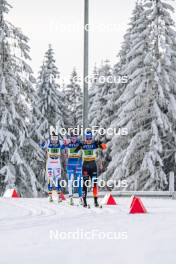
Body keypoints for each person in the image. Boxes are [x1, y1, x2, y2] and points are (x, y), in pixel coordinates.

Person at [75, 130, 107, 207]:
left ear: (91, 138)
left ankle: (95, 201)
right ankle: (84, 201)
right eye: (87, 138)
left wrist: (100, 142)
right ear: (85, 138)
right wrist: (79, 145)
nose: (88, 140)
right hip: (85, 166)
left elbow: (104, 147)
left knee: (94, 184)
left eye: (90, 138)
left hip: (93, 165)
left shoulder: (94, 144)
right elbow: (75, 151)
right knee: (85, 184)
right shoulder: (83, 144)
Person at [41, 131, 65, 203]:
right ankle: (50, 196)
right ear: (50, 138)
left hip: (57, 163)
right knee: (50, 179)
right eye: (53, 138)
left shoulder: (59, 142)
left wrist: (66, 142)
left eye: (55, 138)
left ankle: (59, 196)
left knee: (57, 179)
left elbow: (65, 145)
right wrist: (43, 142)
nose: (54, 140)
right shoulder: (48, 142)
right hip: (50, 164)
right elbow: (42, 145)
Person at [64, 133, 83, 205]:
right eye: (72, 139)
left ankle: (81, 198)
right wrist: (65, 143)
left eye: (75, 138)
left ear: (77, 138)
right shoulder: (68, 145)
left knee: (79, 182)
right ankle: (71, 198)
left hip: (78, 165)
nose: (73, 140)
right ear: (70, 139)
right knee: (70, 182)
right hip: (70, 165)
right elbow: (62, 146)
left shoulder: (79, 144)